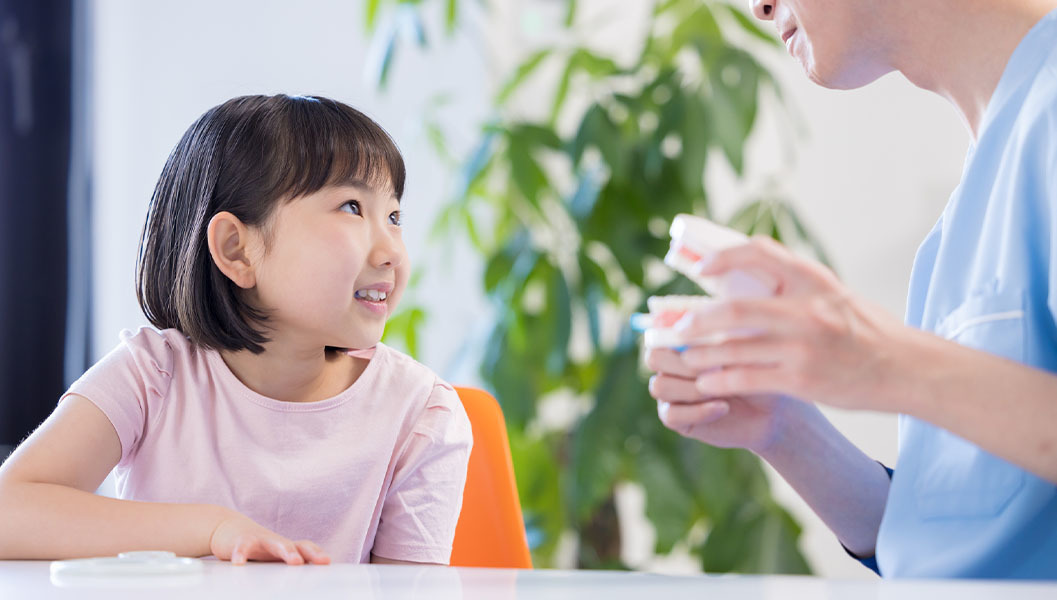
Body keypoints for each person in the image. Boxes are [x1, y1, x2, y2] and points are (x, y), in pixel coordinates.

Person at [646, 0, 1057, 579]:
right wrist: (786, 429)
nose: (758, 7)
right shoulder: (965, 213)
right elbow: (956, 548)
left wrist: (883, 362)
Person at [0, 94, 473, 566]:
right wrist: (212, 529)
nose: (392, 251)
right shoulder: (153, 376)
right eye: (351, 207)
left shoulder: (421, 412)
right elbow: (9, 511)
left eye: (394, 216)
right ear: (236, 249)